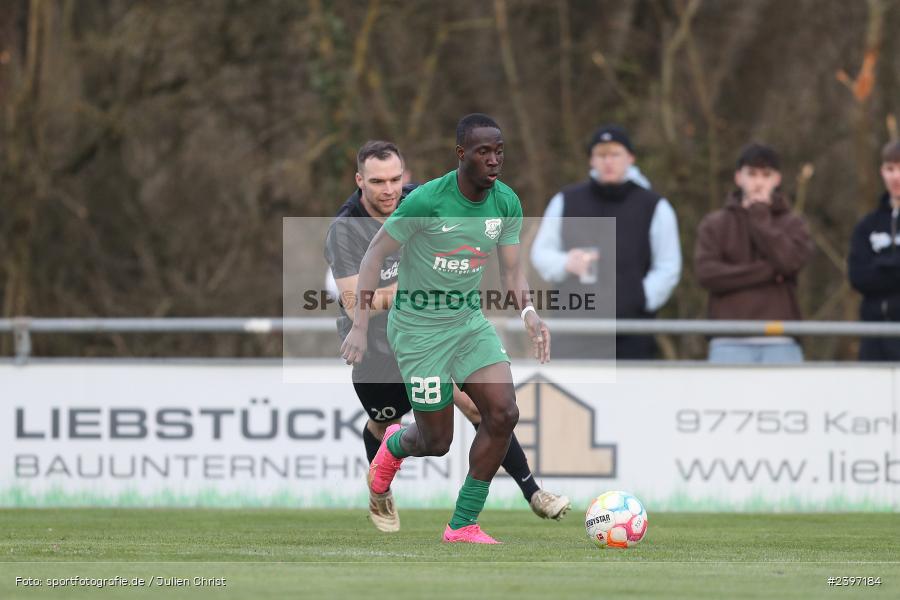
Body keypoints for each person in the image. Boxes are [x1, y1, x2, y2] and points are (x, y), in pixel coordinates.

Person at [326, 140, 569, 534]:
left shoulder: (422, 199)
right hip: (377, 349)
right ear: (359, 181)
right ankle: (381, 487)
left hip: (449, 327)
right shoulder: (344, 230)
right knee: (394, 427)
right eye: (377, 182)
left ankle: (530, 493)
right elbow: (359, 300)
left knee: (489, 409)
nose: (389, 190)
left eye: (395, 179)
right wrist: (427, 282)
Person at [530, 124, 681, 359]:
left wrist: (640, 298)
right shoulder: (565, 200)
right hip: (573, 332)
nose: (608, 161)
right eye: (601, 155)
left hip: (632, 334)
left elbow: (668, 266)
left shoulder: (655, 206)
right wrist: (565, 263)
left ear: (630, 158)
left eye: (615, 154)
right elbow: (541, 253)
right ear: (591, 160)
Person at [694, 143, 814, 363]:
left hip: (781, 339)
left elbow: (790, 262)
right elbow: (707, 274)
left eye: (766, 175)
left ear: (777, 179)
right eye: (752, 174)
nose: (758, 182)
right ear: (738, 177)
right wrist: (770, 272)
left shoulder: (794, 223)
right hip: (728, 339)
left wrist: (760, 217)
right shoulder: (715, 224)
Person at [848, 140, 900, 361]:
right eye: (890, 169)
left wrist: (881, 265)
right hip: (874, 337)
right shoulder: (867, 225)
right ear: (882, 172)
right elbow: (858, 277)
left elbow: (872, 274)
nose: (896, 177)